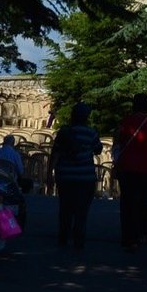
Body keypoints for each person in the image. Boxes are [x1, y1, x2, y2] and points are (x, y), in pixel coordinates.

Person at [113, 93, 147, 252]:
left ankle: (127, 236)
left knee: (127, 202)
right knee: (142, 202)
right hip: (146, 167)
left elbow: (116, 144)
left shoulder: (124, 122)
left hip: (126, 166)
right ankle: (138, 234)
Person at [48, 102, 103, 251]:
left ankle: (63, 236)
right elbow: (98, 150)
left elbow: (55, 154)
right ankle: (79, 239)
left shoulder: (64, 132)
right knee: (81, 211)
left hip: (65, 175)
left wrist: (49, 175)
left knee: (65, 208)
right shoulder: (91, 133)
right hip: (85, 177)